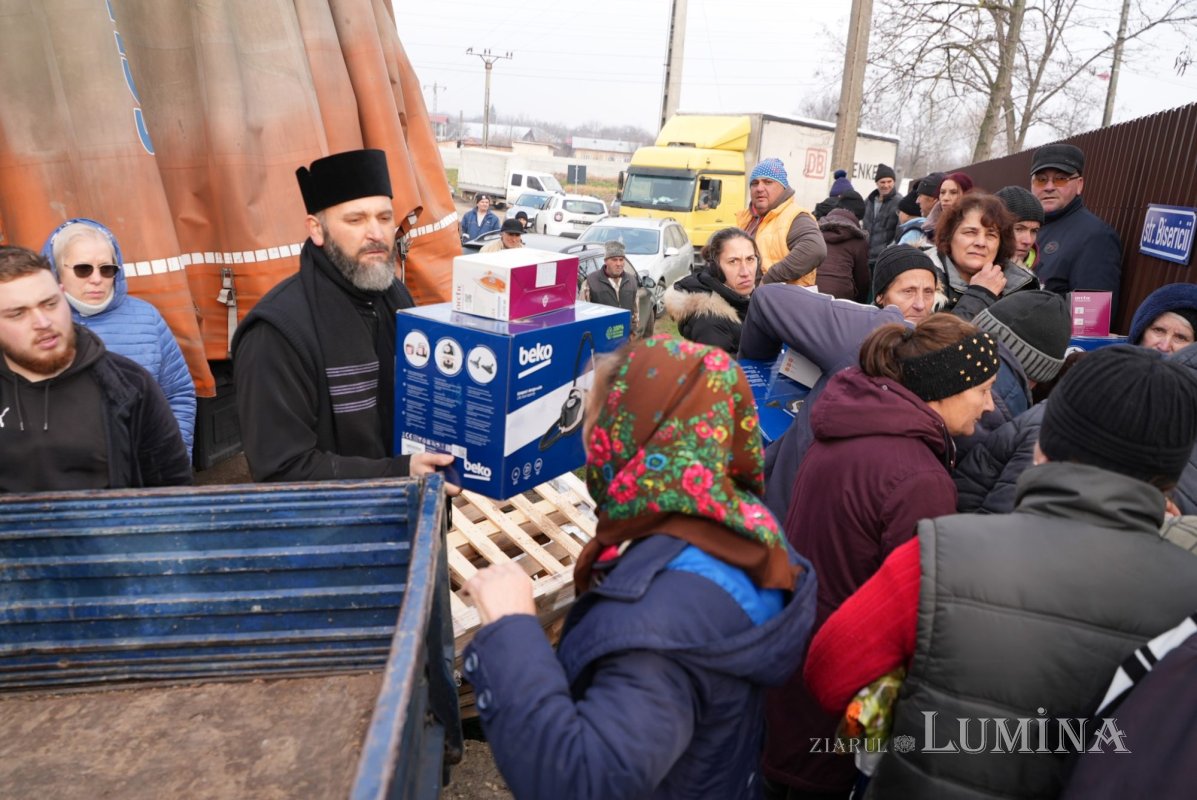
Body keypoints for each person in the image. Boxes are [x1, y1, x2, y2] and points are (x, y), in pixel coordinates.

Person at [804, 345, 1197, 799]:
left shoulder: (941, 553)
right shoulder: (1187, 596)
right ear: (1170, 476)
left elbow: (829, 673)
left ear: (1043, 443)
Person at [459, 334, 816, 800]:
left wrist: (511, 629)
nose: (587, 431)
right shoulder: (740, 526)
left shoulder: (658, 626)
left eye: (600, 413)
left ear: (641, 429)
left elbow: (581, 782)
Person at [763, 315, 999, 799]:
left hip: (793, 667)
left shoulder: (847, 432)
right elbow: (918, 618)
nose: (990, 406)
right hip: (841, 700)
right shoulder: (917, 478)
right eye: (984, 390)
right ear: (949, 387)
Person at [232, 149, 455, 484]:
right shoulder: (276, 332)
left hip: (415, 522)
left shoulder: (396, 296)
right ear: (316, 230)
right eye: (355, 220)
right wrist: (398, 472)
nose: (377, 234)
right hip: (334, 532)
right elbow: (281, 469)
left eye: (384, 218)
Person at [741, 246, 940, 521]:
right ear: (881, 297)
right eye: (908, 292)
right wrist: (756, 369)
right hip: (793, 506)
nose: (920, 304)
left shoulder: (939, 343)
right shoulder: (862, 331)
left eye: (928, 292)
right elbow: (767, 298)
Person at [0, 245, 191, 492]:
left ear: (62, 294)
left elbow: (172, 490)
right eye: (18, 314)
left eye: (50, 304)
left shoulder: (129, 385)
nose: (43, 322)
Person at [40, 219, 196, 458]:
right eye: (83, 269)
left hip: (140, 472)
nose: (96, 278)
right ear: (56, 270)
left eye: (106, 269)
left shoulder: (147, 318)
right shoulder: (37, 324)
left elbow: (178, 394)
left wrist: (174, 460)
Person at [1030, 142, 1123, 314]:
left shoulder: (1096, 237)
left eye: (1060, 179)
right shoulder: (1030, 227)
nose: (1049, 187)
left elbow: (1093, 316)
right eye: (1041, 180)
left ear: (1079, 184)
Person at [927, 192, 1037, 318]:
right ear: (949, 237)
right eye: (970, 232)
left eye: (991, 235)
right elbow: (940, 337)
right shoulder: (921, 280)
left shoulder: (1021, 285)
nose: (981, 243)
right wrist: (980, 294)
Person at [665, 227, 759, 353]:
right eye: (733, 261)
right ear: (715, 268)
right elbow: (716, 372)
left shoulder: (744, 298)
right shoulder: (710, 323)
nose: (746, 272)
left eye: (750, 259)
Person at [736, 158, 825, 286]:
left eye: (768, 182)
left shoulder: (795, 216)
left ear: (783, 187)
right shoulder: (747, 218)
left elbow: (815, 249)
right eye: (755, 183)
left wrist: (769, 280)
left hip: (781, 302)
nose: (759, 188)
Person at [580, 240, 640, 335]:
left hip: (624, 337)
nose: (619, 264)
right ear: (605, 261)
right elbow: (582, 316)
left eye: (621, 259)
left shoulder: (631, 281)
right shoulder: (590, 282)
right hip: (601, 338)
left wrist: (633, 331)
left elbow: (635, 311)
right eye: (614, 260)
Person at [814, 207, 869, 301]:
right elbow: (862, 279)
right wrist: (860, 302)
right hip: (841, 295)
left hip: (811, 290)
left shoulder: (814, 234)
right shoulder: (858, 241)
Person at [1128, 282, 1197, 354]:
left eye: (1181, 337)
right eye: (1158, 330)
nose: (1164, 347)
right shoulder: (1116, 360)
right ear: (1141, 331)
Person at [862, 164, 903, 267]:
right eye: (882, 182)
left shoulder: (899, 202)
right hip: (866, 257)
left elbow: (900, 231)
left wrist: (888, 252)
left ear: (894, 182)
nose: (886, 185)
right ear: (877, 183)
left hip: (885, 259)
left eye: (889, 182)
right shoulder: (869, 201)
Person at [994, 185, 1043, 269]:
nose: (1028, 241)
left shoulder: (1041, 269)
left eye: (1034, 231)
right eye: (1019, 229)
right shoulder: (970, 267)